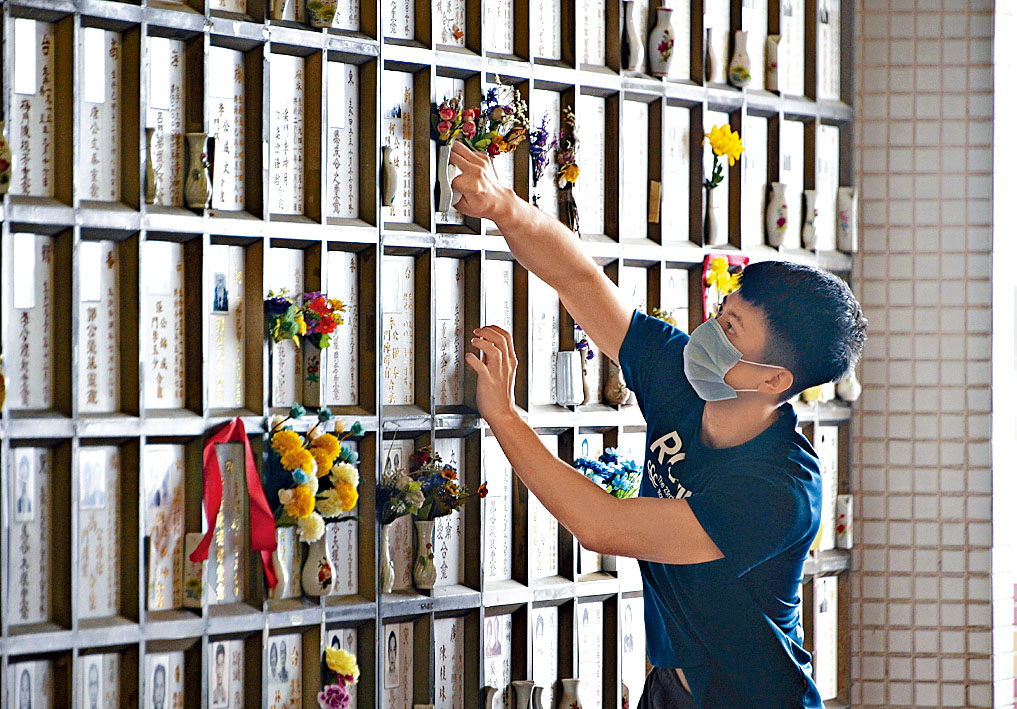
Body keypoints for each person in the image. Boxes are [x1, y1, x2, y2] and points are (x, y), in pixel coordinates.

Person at [449, 141, 866, 708]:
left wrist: (503, 414)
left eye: (733, 330)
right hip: (672, 688)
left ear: (773, 381)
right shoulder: (685, 380)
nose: (709, 332)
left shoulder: (780, 491)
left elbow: (602, 526)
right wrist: (504, 206)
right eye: (721, 312)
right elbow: (581, 283)